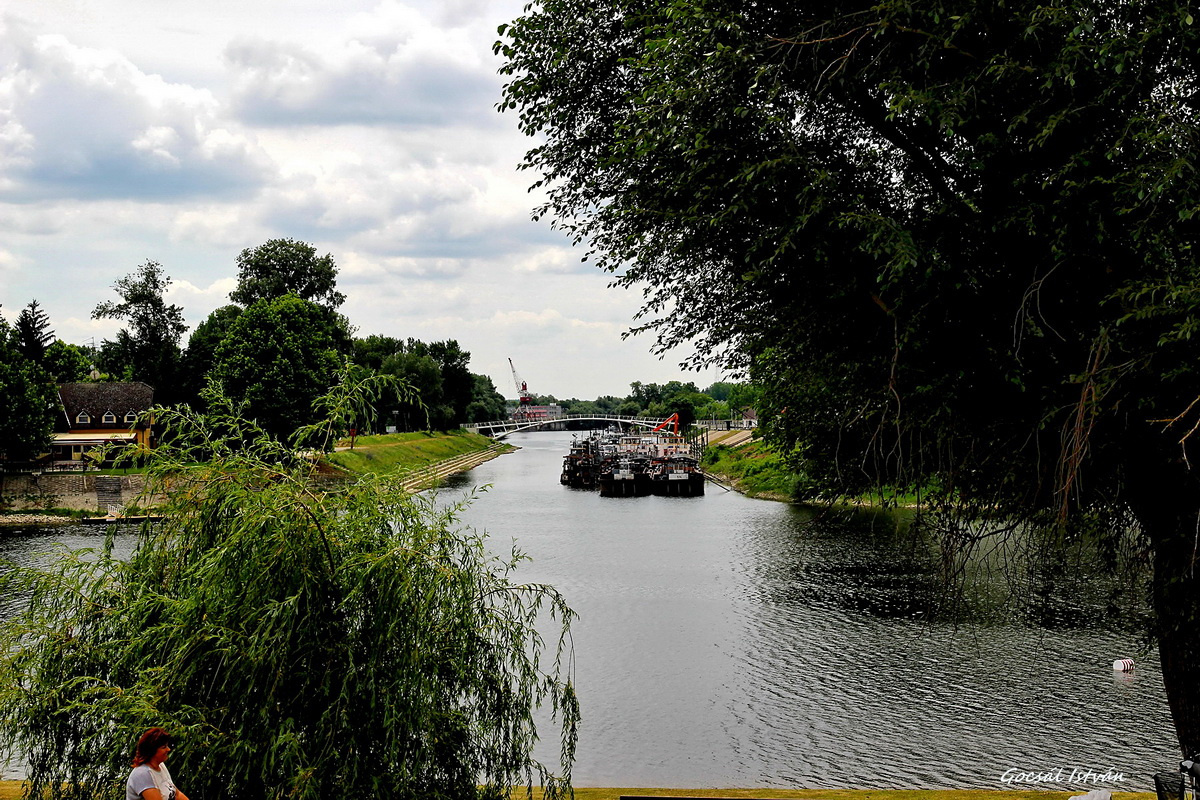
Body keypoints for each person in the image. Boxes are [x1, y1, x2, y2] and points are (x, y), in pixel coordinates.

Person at [125, 727, 191, 800]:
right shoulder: (142, 774)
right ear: (152, 751)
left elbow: (177, 794)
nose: (168, 749)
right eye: (164, 747)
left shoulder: (161, 765)